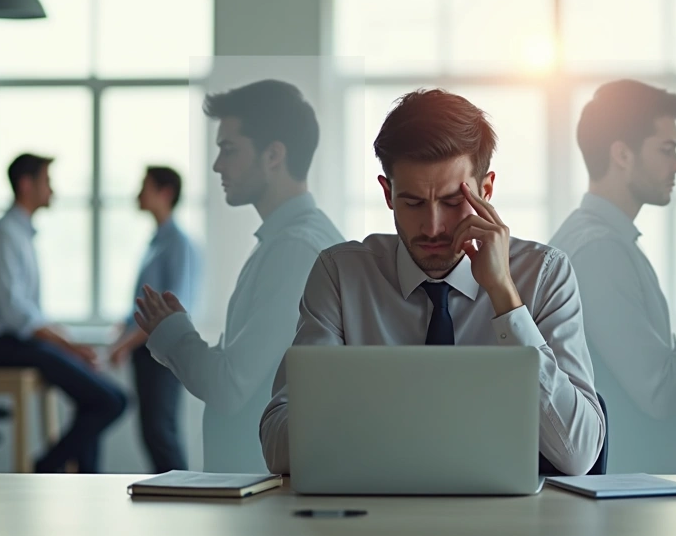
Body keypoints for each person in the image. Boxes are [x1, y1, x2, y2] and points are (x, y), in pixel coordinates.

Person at [241, 88, 605, 476]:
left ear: (487, 190)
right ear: (388, 193)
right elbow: (277, 447)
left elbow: (578, 454)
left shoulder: (545, 274)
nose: (432, 227)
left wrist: (506, 299)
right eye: (413, 202)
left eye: (451, 201)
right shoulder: (340, 275)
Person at [129, 80, 343, 473]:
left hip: (262, 497)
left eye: (228, 149)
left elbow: (230, 388)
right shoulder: (291, 241)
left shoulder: (293, 249)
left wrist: (173, 334)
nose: (217, 165)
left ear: (273, 155)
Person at [548, 79, 676, 475]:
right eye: (667, 149)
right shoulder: (600, 251)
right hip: (625, 498)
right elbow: (659, 390)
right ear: (622, 154)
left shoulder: (603, 241)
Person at [0, 153, 127, 473]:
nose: (52, 190)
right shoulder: (2, 235)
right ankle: (45, 467)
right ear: (26, 185)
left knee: (99, 398)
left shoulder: (20, 235)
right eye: (47, 182)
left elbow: (32, 312)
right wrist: (67, 346)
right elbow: (16, 314)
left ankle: (83, 481)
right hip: (3, 347)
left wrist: (67, 342)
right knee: (110, 400)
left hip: (21, 343)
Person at [107, 166, 200, 473]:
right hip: (146, 352)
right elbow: (146, 303)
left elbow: (171, 308)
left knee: (161, 431)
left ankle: (183, 497)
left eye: (144, 186)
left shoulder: (178, 243)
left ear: (165, 193)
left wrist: (124, 344)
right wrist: (123, 329)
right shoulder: (155, 242)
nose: (138, 194)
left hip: (163, 354)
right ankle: (170, 497)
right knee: (151, 431)